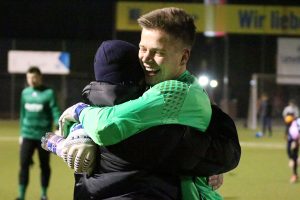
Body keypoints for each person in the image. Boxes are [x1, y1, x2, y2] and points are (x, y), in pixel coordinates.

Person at [59, 8, 240, 199]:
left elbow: (106, 127)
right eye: (142, 48)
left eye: (157, 52)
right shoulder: (163, 86)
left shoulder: (175, 92)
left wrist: (80, 111)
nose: (145, 58)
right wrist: (82, 131)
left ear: (184, 57)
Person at [18, 66, 61, 200]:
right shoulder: (25, 93)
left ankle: (43, 194)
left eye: (34, 77)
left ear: (40, 77)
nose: (32, 80)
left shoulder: (48, 93)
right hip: (27, 135)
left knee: (44, 166)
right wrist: (21, 134)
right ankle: (21, 196)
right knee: (24, 165)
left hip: (44, 137)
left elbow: (55, 110)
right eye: (29, 77)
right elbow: (22, 114)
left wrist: (58, 126)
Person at [286, 117, 300, 183]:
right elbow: (288, 148)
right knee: (294, 155)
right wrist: (291, 158)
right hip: (296, 135)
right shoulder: (293, 131)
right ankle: (294, 175)